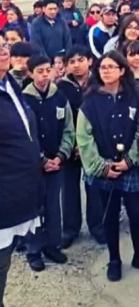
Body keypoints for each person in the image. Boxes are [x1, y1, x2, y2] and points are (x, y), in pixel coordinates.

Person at [0, 29, 41, 307]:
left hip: (19, 196)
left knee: (5, 269)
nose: (0, 53)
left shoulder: (10, 85)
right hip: (0, 201)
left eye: (3, 48)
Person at [77, 51, 139, 281]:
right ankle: (114, 259)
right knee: (110, 216)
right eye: (103, 67)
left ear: (122, 70)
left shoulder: (135, 95)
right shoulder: (90, 101)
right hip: (105, 169)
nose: (106, 71)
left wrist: (130, 160)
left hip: (132, 167)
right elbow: (84, 138)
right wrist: (103, 167)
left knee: (136, 213)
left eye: (112, 66)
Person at [22, 55, 75, 271]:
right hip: (34, 165)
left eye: (47, 70)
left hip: (56, 162)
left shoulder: (60, 97)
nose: (44, 75)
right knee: (35, 207)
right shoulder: (24, 100)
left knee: (54, 206)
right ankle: (33, 250)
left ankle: (52, 245)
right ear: (30, 73)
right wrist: (41, 159)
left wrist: (60, 156)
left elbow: (69, 129)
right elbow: (24, 134)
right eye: (39, 71)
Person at [57, 47, 105, 247]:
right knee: (69, 189)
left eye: (80, 60)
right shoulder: (62, 87)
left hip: (93, 144)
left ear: (90, 61)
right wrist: (72, 145)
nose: (76, 65)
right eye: (72, 61)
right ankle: (70, 229)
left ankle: (97, 226)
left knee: (94, 186)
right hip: (70, 146)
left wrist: (87, 144)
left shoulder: (99, 83)